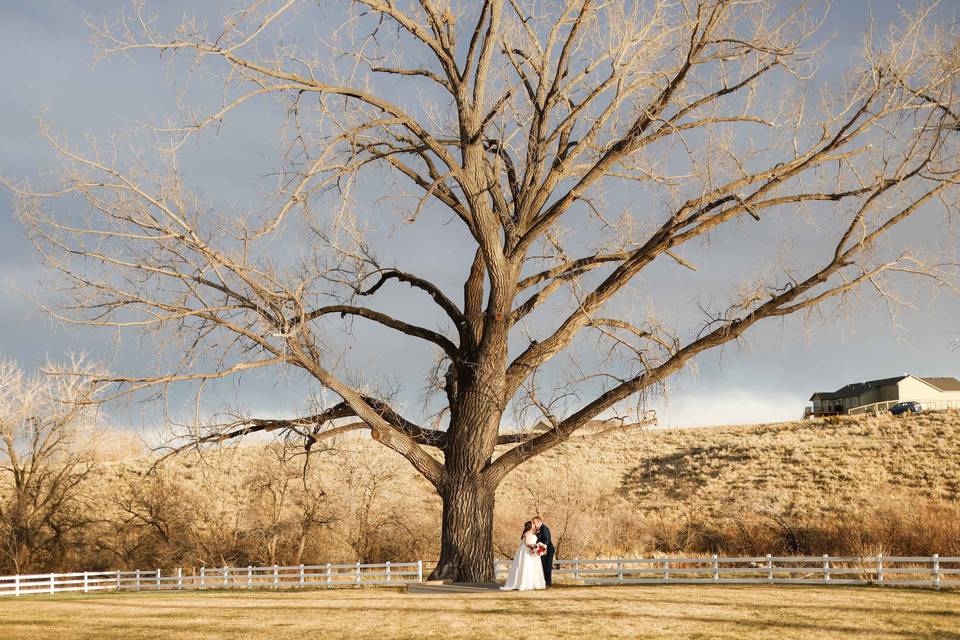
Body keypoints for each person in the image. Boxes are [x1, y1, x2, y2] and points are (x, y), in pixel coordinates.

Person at [499, 520, 546, 591]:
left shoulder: (532, 533)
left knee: (532, 567)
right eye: (533, 524)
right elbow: (527, 543)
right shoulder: (527, 533)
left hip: (532, 551)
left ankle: (532, 583)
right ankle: (524, 583)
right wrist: (535, 545)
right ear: (530, 526)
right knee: (525, 566)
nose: (534, 524)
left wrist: (537, 547)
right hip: (526, 551)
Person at [532, 515, 555, 587]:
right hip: (542, 550)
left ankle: (548, 583)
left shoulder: (544, 528)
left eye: (534, 522)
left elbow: (547, 540)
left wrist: (541, 548)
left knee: (547, 566)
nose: (533, 524)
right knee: (543, 566)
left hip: (548, 550)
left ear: (538, 521)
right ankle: (544, 581)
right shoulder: (538, 529)